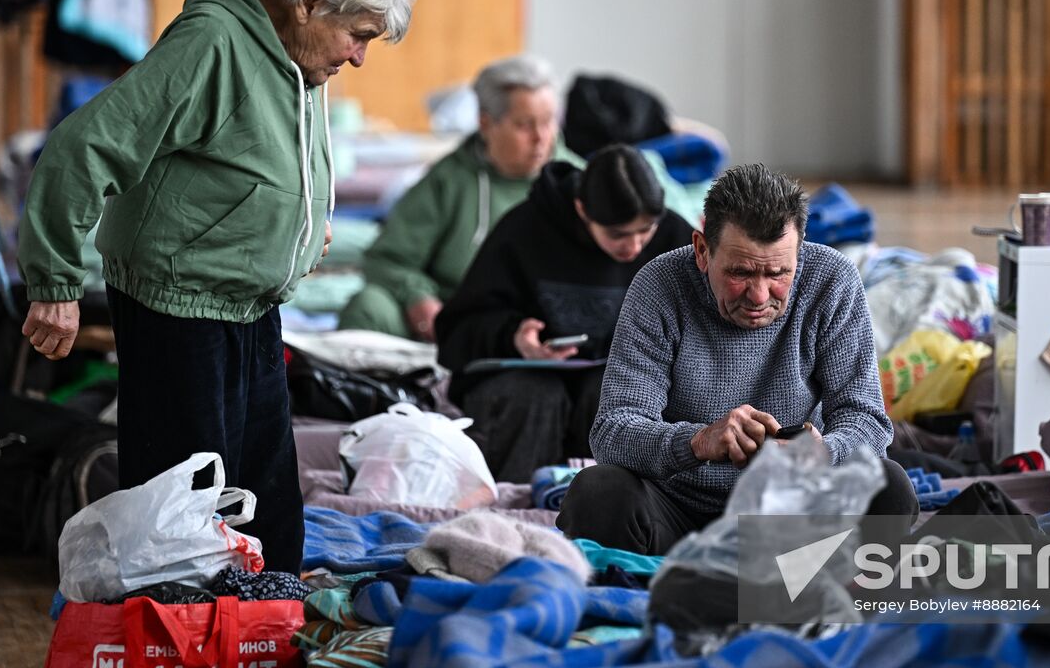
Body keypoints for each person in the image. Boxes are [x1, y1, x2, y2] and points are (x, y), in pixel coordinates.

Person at [17, 0, 416, 574]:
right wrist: (53, 282)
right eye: (359, 35)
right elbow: (80, 148)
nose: (359, 56)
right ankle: (190, 664)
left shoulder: (299, 58)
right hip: (179, 311)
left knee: (267, 511)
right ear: (310, 1)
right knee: (184, 527)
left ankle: (262, 654)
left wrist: (305, 219)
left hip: (248, 307)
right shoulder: (213, 44)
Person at [556, 163, 919, 555]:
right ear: (701, 251)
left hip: (794, 515)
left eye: (779, 273)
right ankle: (717, 591)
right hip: (678, 514)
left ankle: (766, 586)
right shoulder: (657, 287)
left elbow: (866, 420)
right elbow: (613, 432)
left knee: (889, 487)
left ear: (799, 253)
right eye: (741, 273)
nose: (760, 296)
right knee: (597, 493)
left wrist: (825, 452)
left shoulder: (832, 280)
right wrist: (697, 441)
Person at [435, 144, 695, 481]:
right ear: (582, 209)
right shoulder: (524, 230)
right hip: (526, 380)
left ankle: (610, 510)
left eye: (645, 231)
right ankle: (517, 508)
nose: (633, 247)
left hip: (615, 378)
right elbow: (456, 330)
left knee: (613, 396)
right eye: (617, 234)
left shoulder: (674, 238)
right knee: (532, 396)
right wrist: (514, 336)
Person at [337, 54, 581, 341]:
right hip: (453, 322)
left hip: (543, 323)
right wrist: (419, 300)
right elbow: (387, 259)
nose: (541, 137)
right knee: (369, 307)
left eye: (549, 121)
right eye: (525, 125)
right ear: (487, 123)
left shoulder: (579, 183)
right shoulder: (449, 180)